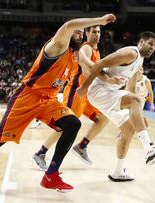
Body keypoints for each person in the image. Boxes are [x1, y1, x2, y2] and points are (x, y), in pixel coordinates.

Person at [0, 14, 116, 192]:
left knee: (73, 123)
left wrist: (109, 79)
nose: (80, 35)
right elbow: (68, 26)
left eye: (82, 34)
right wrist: (100, 20)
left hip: (48, 100)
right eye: (78, 32)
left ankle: (51, 175)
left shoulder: (75, 56)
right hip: (28, 97)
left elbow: (90, 67)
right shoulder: (56, 46)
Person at [77, 31, 155, 182]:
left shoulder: (140, 61)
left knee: (129, 128)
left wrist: (136, 112)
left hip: (109, 92)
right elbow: (100, 64)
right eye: (150, 43)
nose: (153, 47)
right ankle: (149, 148)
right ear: (141, 42)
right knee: (135, 100)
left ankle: (118, 171)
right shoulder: (130, 53)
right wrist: (84, 87)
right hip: (99, 90)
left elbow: (129, 89)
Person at [31, 25, 112, 169]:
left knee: (103, 118)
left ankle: (82, 146)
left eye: (99, 32)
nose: (97, 35)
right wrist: (107, 77)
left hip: (86, 94)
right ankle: (40, 152)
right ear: (87, 34)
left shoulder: (96, 50)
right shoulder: (86, 48)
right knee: (65, 125)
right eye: (94, 32)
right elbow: (88, 69)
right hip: (76, 91)